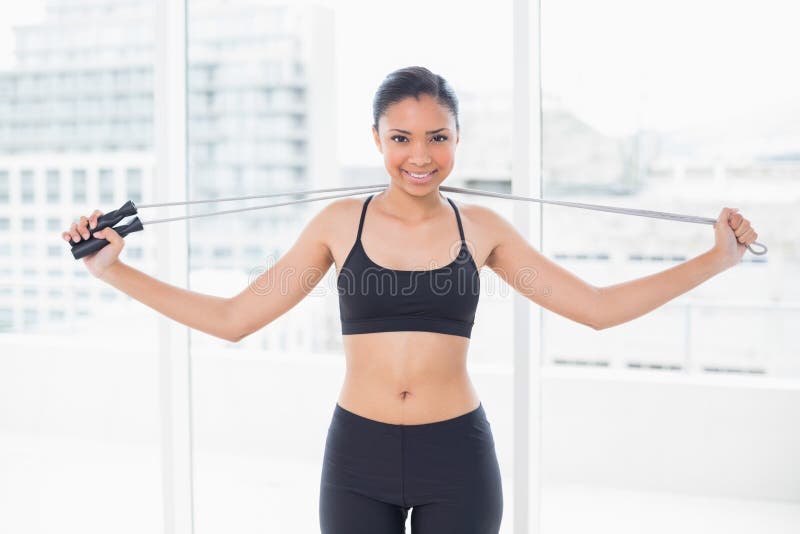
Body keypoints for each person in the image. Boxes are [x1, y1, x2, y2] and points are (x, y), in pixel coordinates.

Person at [62, 66, 759, 533]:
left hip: (457, 458)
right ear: (376, 139)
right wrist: (113, 273)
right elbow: (234, 319)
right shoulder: (338, 224)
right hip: (357, 458)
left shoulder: (482, 228)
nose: (419, 156)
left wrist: (716, 260)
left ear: (457, 140)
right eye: (401, 138)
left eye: (437, 138)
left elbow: (597, 308)